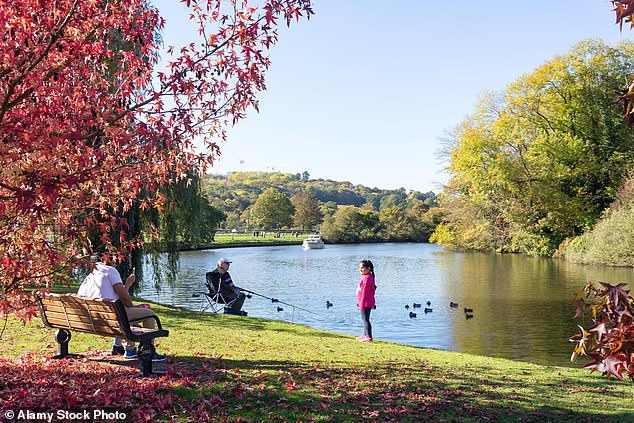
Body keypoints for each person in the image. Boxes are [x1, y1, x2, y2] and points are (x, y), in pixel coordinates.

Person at [77, 253, 165, 361]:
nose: (116, 261)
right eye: (114, 259)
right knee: (150, 314)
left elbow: (118, 297)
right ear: (107, 260)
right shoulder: (110, 271)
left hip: (95, 319)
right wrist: (133, 306)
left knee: (124, 315)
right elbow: (125, 299)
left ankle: (130, 350)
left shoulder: (91, 275)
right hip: (111, 316)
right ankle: (146, 350)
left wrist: (127, 285)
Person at [356, 259, 376, 343]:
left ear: (369, 269)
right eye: (359, 268)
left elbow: (365, 293)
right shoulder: (367, 277)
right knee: (364, 319)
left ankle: (369, 337)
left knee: (365, 319)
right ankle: (365, 334)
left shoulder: (367, 278)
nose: (360, 269)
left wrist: (362, 304)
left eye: (362, 268)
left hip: (366, 303)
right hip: (364, 302)